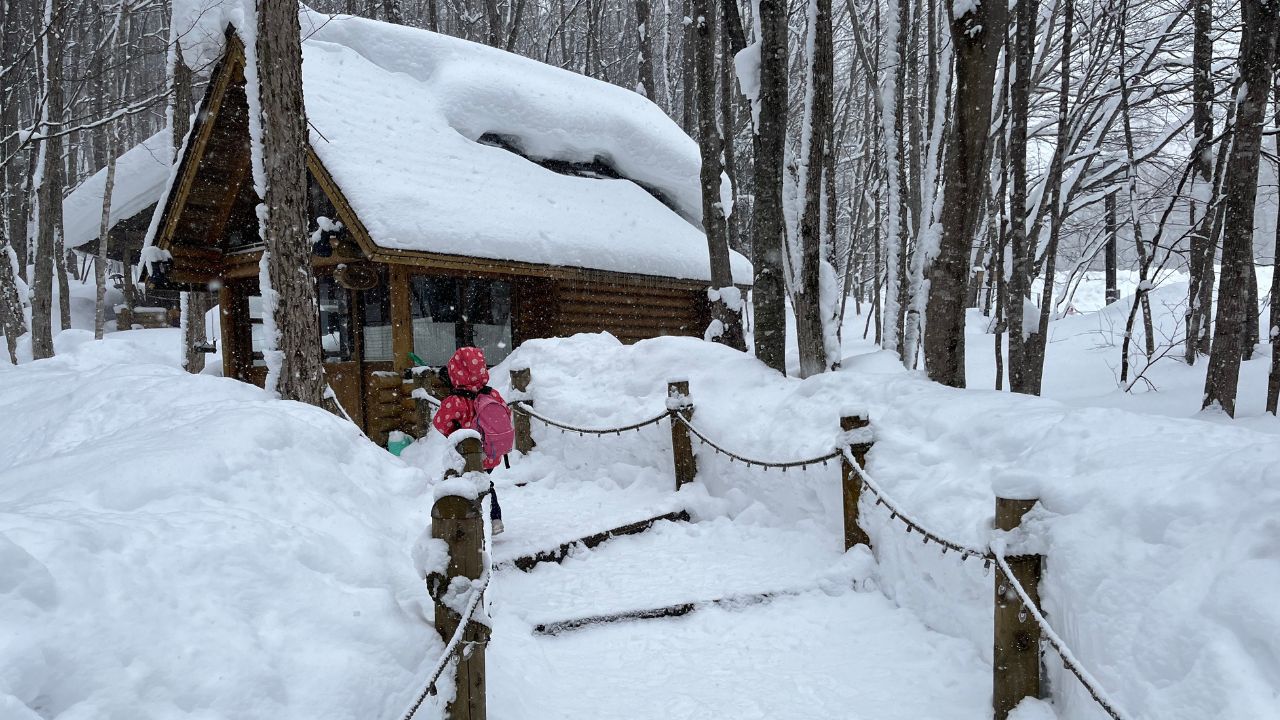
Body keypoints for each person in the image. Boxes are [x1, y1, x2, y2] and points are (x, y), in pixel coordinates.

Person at [432, 346, 513, 534]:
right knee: (485, 482)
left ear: (456, 372)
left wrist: (454, 432)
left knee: (470, 487)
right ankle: (495, 518)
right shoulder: (492, 394)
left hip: (467, 454)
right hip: (491, 451)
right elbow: (505, 413)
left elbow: (440, 423)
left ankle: (476, 524)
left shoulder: (455, 401)